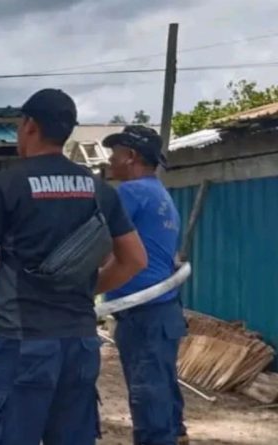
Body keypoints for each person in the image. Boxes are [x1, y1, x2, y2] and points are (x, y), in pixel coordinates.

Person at [0, 88, 148, 445]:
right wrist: (88, 288)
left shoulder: (5, 186)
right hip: (79, 344)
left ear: (29, 125)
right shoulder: (99, 189)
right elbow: (135, 260)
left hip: (23, 346)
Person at [103, 125, 189, 445]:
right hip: (163, 311)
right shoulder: (160, 194)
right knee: (163, 392)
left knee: (148, 400)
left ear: (131, 156)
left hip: (142, 313)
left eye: (115, 153)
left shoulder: (130, 193)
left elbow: (99, 243)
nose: (111, 161)